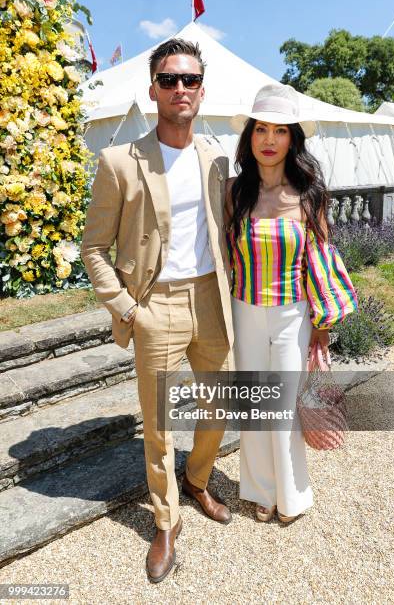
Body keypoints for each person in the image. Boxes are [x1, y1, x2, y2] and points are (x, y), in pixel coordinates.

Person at [81, 38, 235, 583]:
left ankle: (198, 479)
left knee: (222, 406)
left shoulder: (218, 156)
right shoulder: (120, 161)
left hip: (212, 300)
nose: (180, 89)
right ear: (152, 90)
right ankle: (165, 522)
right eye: (169, 80)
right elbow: (93, 246)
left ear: (200, 89)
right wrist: (125, 306)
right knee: (159, 424)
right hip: (154, 305)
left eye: (189, 80)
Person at [224, 84, 358, 524]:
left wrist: (321, 325)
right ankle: (261, 490)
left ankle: (293, 494)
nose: (268, 139)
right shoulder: (233, 193)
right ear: (249, 137)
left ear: (292, 139)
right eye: (260, 129)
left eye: (280, 131)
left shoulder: (309, 195)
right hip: (244, 310)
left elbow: (322, 261)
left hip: (292, 313)